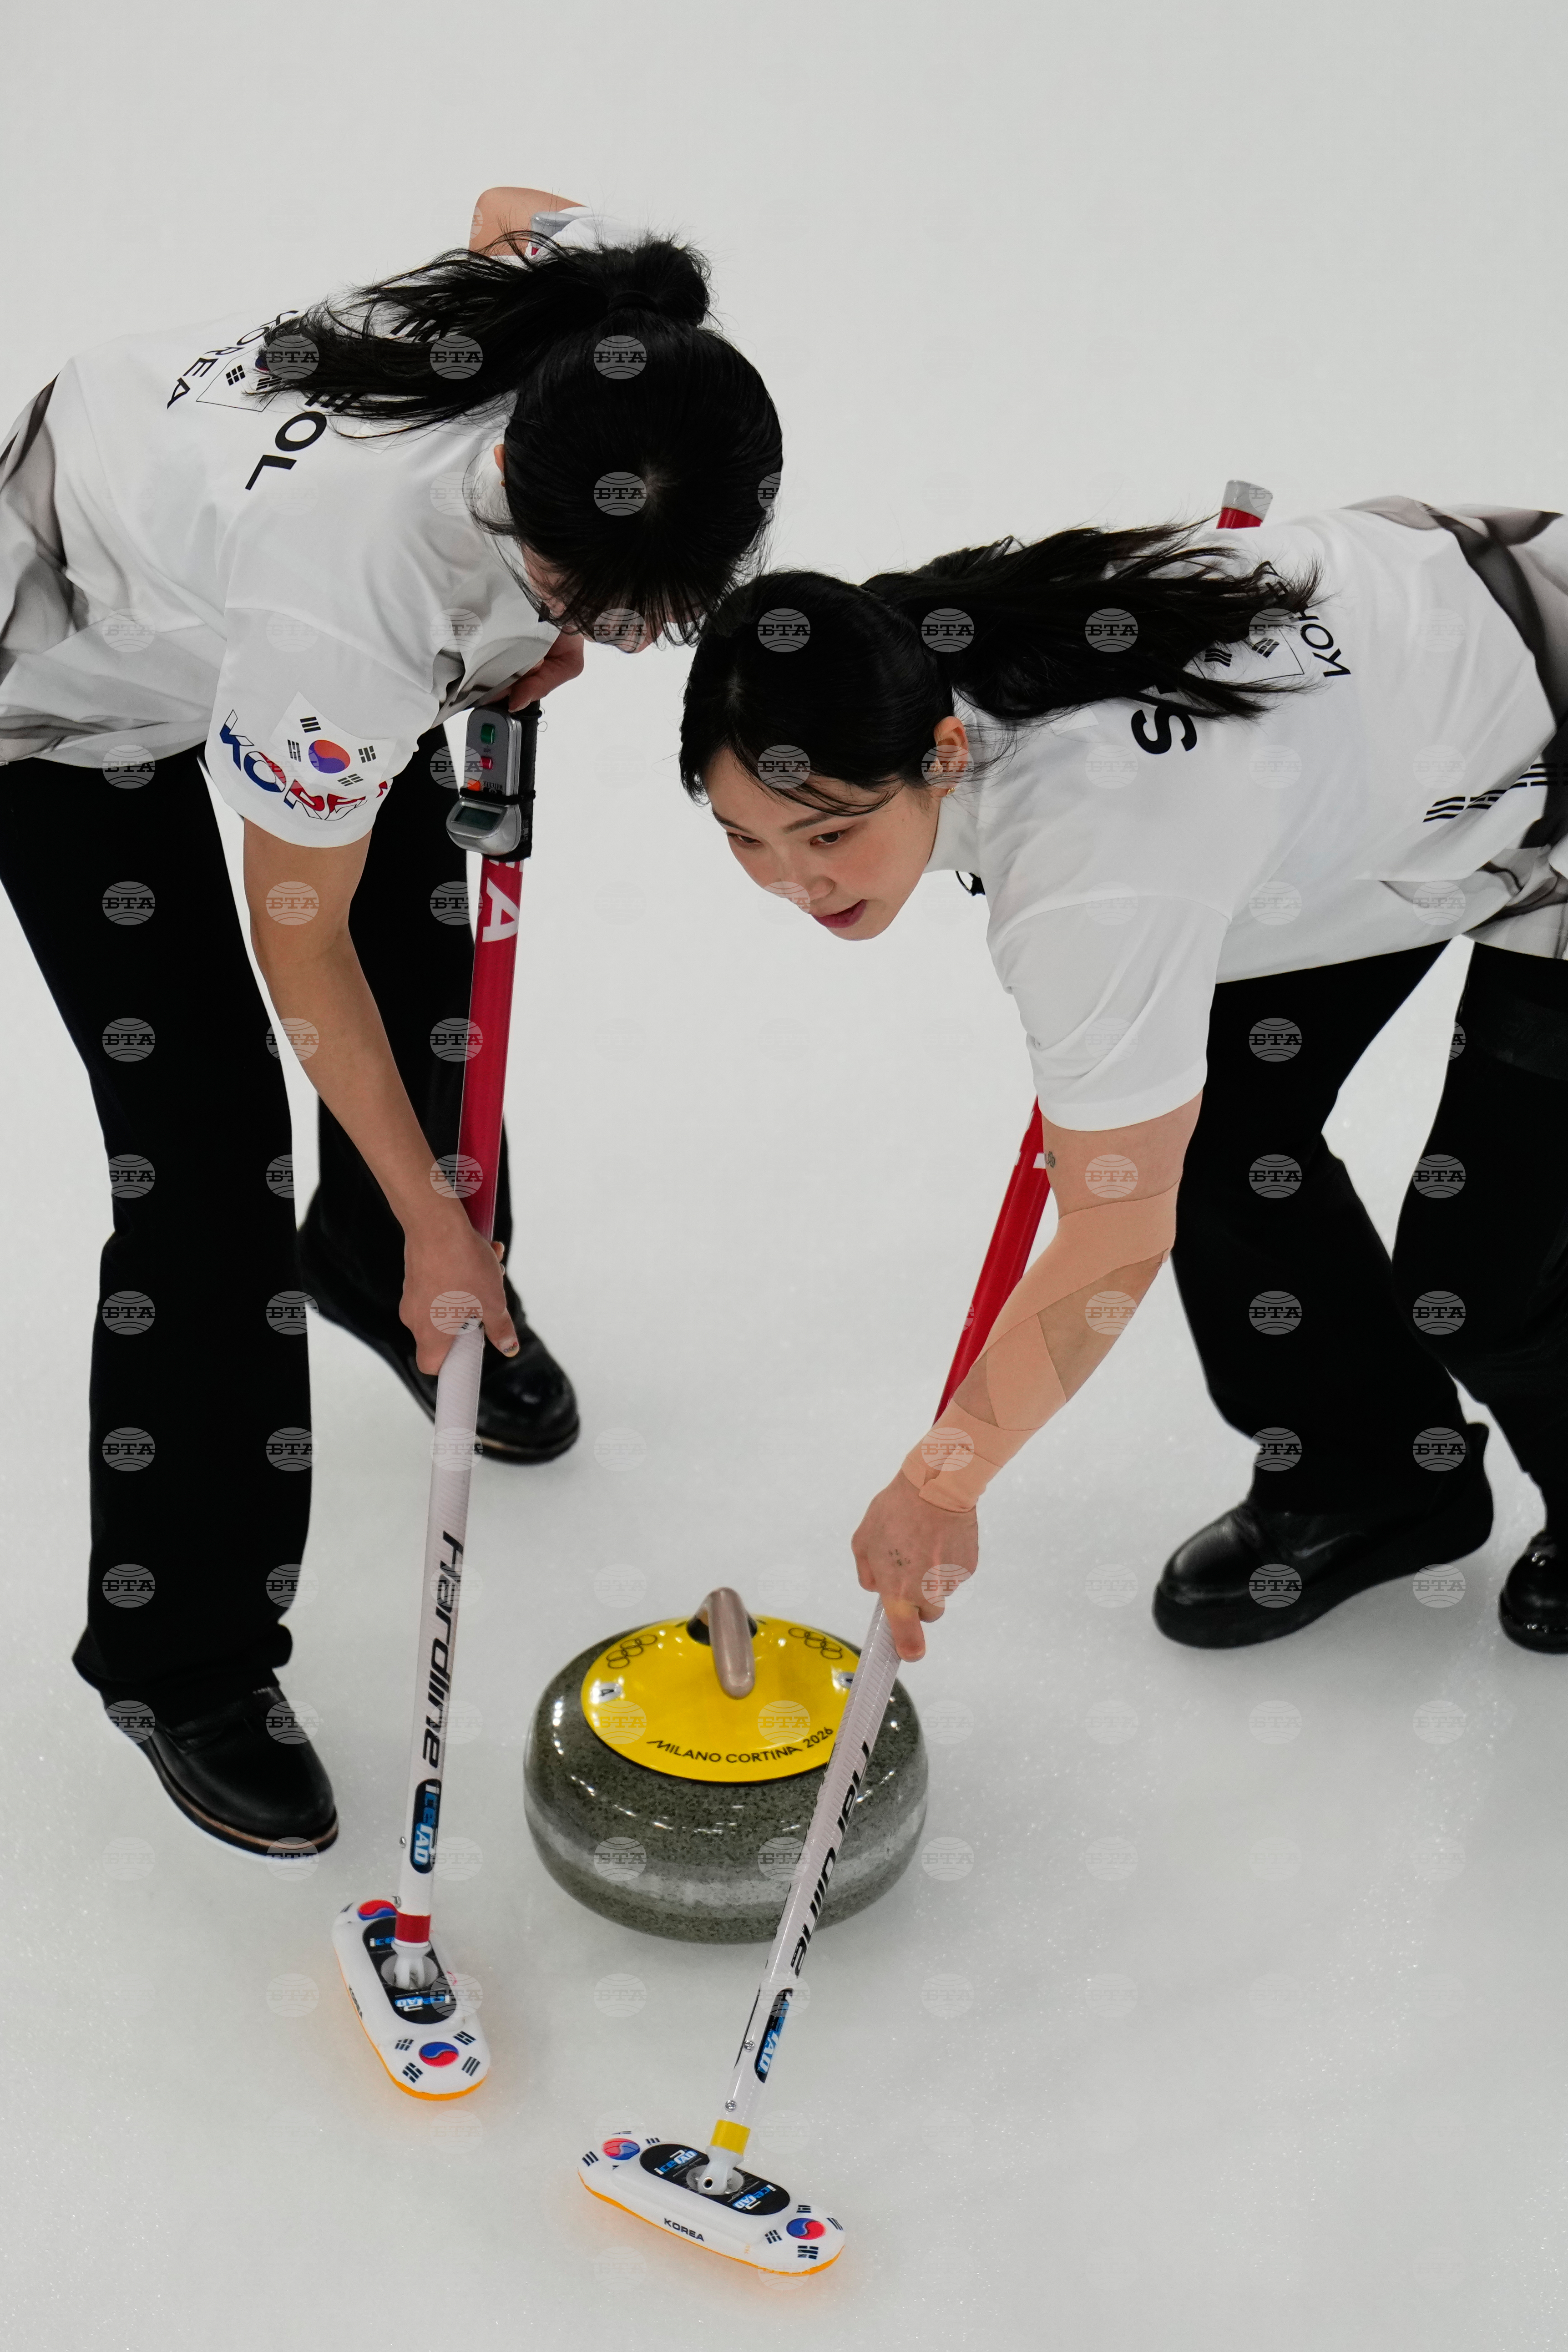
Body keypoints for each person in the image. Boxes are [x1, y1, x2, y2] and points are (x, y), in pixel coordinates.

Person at [0, 186, 782, 1850]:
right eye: (598, 604)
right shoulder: (340, 599)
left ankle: (366, 1259)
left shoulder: (617, 338)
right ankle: (181, 1652)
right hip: (65, 670)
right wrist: (452, 1221)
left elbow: (511, 207)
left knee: (438, 1018)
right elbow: (304, 944)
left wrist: (540, 630)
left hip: (237, 542)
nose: (615, 642)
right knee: (204, 1152)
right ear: (519, 507)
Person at [678, 501, 1568, 1663]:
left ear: (941, 753)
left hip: (1520, 754)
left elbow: (1112, 1235)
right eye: (749, 839)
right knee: (1203, 1131)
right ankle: (1379, 1477)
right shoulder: (879, 655)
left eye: (831, 834)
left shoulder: (1091, 870)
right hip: (1374, 767)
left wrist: (942, 1480)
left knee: (1484, 1273)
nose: (795, 881)